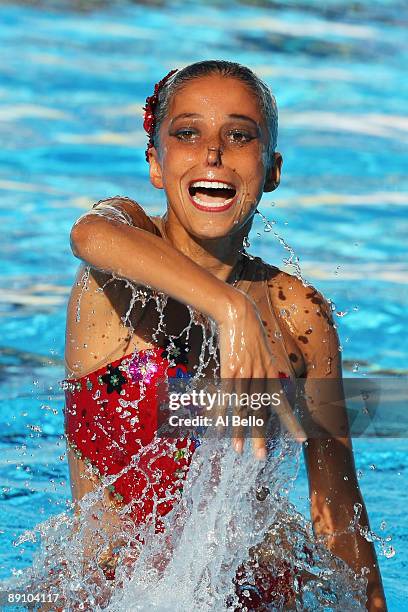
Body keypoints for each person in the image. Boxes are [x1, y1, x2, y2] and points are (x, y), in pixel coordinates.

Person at [63, 60, 386, 610]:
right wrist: (230, 309)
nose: (212, 152)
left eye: (239, 136)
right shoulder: (116, 278)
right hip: (108, 593)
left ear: (273, 169)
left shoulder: (298, 316)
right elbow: (88, 233)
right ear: (156, 165)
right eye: (187, 133)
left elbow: (336, 508)